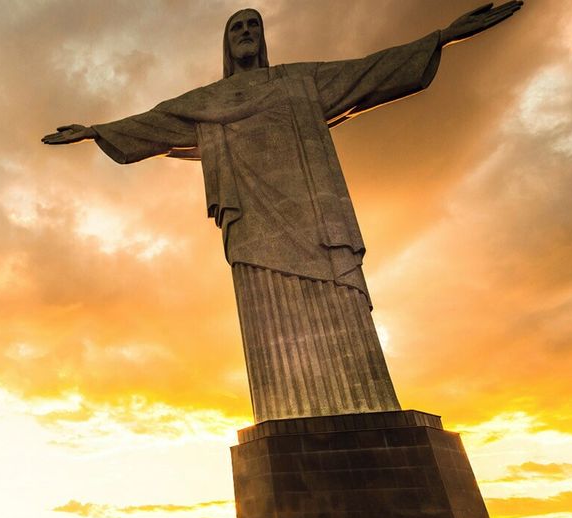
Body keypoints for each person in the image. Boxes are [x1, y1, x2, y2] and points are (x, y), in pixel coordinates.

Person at [43, 3, 524, 423]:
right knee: (271, 326)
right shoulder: (206, 101)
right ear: (228, 44)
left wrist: (445, 35)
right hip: (254, 228)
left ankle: (368, 405)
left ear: (263, 36)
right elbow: (153, 121)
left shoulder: (300, 80)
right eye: (238, 28)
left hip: (316, 222)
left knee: (343, 307)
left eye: (254, 25)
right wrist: (94, 130)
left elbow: (371, 70)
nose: (248, 32)